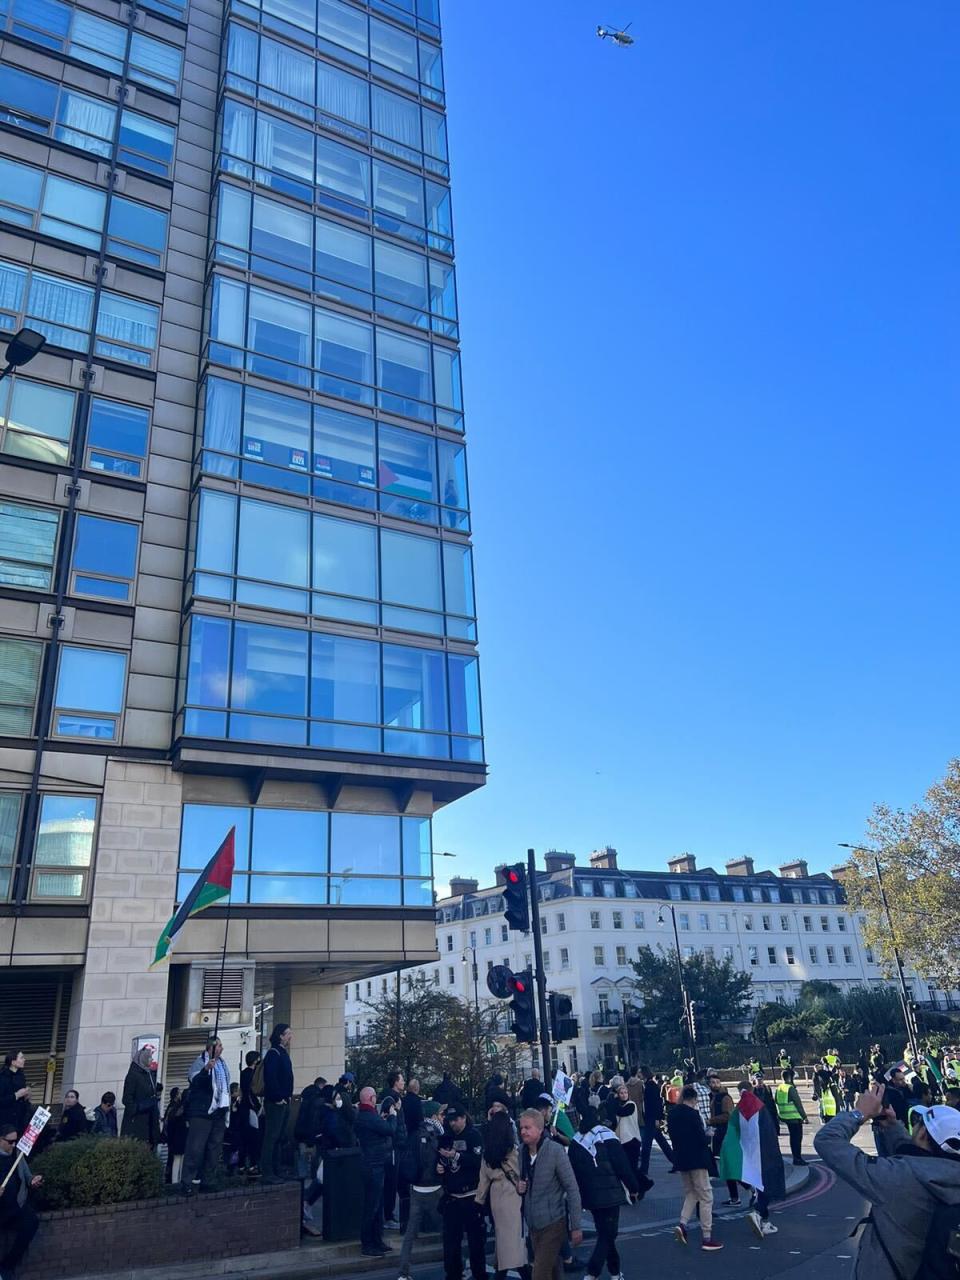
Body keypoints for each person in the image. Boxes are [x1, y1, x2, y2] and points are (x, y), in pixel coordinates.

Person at [815, 1082, 960, 1280]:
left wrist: (859, 1113)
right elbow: (920, 1160)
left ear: (923, 1134)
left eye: (917, 1124)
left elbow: (827, 1141)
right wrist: (892, 1126)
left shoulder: (895, 1178)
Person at [568, 1104, 640, 1277]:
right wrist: (633, 1188)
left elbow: (572, 1170)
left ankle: (615, 1273)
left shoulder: (576, 1141)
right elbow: (622, 1165)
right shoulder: (607, 1135)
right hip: (611, 1193)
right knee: (609, 1235)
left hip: (590, 1194)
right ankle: (592, 1273)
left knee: (605, 1235)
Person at [517, 1108, 583, 1280]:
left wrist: (575, 1226)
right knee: (553, 1270)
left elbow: (572, 1187)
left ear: (540, 1129)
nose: (523, 1131)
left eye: (528, 1127)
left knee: (539, 1273)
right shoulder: (521, 1152)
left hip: (553, 1222)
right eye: (521, 1127)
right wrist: (520, 1187)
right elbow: (523, 1184)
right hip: (533, 1224)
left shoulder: (554, 1151)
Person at [719, 1081, 785, 1239]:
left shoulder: (738, 1110)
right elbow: (769, 1130)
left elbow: (732, 1133)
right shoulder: (759, 1106)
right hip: (764, 1153)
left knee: (758, 1183)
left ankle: (762, 1217)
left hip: (747, 1154)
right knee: (767, 1184)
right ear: (752, 1089)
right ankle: (759, 1214)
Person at [667, 1085, 723, 1252]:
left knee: (691, 1193)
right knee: (706, 1196)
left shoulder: (672, 1114)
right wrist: (708, 1135)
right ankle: (707, 1236)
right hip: (697, 1159)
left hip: (681, 1160)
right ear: (693, 1100)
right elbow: (701, 1138)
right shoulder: (693, 1114)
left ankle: (682, 1224)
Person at [395, 1100, 445, 1280]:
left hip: (416, 1189)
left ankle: (403, 1272)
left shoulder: (415, 1133)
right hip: (435, 1188)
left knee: (410, 1234)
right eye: (440, 1114)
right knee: (447, 1231)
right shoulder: (437, 1133)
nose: (443, 1117)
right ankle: (457, 1266)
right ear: (434, 1116)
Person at [476, 1109, 528, 1280]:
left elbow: (483, 1179)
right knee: (514, 1245)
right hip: (512, 1196)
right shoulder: (513, 1151)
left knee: (504, 1242)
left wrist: (479, 1201)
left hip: (495, 1196)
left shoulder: (488, 1152)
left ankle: (502, 1270)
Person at [437, 1103, 485, 1280]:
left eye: (456, 1119)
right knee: (451, 1243)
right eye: (450, 1120)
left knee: (476, 1242)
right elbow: (440, 1157)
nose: (453, 1124)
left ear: (464, 1118)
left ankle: (479, 1274)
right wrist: (440, 1166)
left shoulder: (474, 1136)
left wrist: (456, 1156)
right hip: (452, 1197)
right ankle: (453, 1273)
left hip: (471, 1195)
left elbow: (478, 1160)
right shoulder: (447, 1137)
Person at [180, 1036, 231, 1195]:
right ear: (211, 1048)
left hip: (218, 1112)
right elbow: (194, 1080)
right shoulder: (200, 1062)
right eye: (219, 1046)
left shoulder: (222, 1064)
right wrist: (206, 1070)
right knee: (195, 1148)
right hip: (202, 1112)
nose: (222, 1048)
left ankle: (208, 1180)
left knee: (214, 1148)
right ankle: (187, 1181)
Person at [356, 1085, 397, 1258]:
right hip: (374, 1166)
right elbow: (390, 1130)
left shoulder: (364, 1116)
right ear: (371, 1099)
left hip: (371, 1164)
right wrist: (393, 1116)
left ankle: (377, 1241)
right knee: (372, 1206)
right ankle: (368, 1243)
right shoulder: (369, 1117)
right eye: (375, 1098)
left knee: (376, 1205)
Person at [0, 1122, 42, 1279]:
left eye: (15, 1140)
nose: (14, 1144)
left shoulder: (17, 1154)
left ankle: (7, 1266)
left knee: (31, 1223)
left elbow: (27, 1176)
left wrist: (33, 1181)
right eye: (10, 1142)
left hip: (16, 1206)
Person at [261, 1023, 294, 1182]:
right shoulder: (274, 1054)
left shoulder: (281, 1053)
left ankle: (277, 1169)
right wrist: (278, 1097)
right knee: (272, 1137)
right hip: (276, 1102)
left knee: (279, 1136)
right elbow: (271, 1077)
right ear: (280, 1035)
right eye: (287, 1033)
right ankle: (268, 1172)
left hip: (283, 1101)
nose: (290, 1036)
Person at [381, 1069, 407, 1231]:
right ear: (396, 1082)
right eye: (402, 1080)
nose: (403, 1082)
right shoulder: (391, 1099)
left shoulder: (393, 1098)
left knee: (394, 1180)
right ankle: (388, 1216)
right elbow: (389, 1120)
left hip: (396, 1144)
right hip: (393, 1146)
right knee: (391, 1181)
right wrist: (395, 1111)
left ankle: (389, 1214)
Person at [639, 1065, 674, 1177]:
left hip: (651, 1119)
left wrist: (658, 1118)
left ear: (644, 1073)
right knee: (662, 1143)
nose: (638, 1074)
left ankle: (644, 1169)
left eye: (640, 1072)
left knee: (646, 1145)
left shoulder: (651, 1086)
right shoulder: (648, 1085)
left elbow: (656, 1104)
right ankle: (676, 1162)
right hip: (651, 1118)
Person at [120, 1046, 159, 1147]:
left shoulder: (149, 1074)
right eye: (149, 1057)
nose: (152, 1060)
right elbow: (127, 1099)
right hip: (137, 1122)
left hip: (150, 1121)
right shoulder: (133, 1075)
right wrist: (142, 1106)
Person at [707, 1075, 736, 1202]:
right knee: (726, 1167)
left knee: (729, 1167)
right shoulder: (713, 1097)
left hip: (726, 1134)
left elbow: (728, 1116)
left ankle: (749, 1190)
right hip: (718, 1134)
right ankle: (735, 1197)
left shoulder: (724, 1098)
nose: (715, 1084)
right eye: (712, 1082)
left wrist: (710, 1121)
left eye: (717, 1082)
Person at [236, 1051, 262, 1175]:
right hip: (251, 1109)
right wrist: (257, 1107)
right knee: (254, 1137)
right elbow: (251, 1092)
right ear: (255, 1060)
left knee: (244, 1138)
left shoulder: (243, 1074)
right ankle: (253, 1164)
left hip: (244, 1109)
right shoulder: (252, 1074)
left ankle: (241, 1164)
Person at [775, 1070, 809, 1165]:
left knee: (793, 1137)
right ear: (790, 1078)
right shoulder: (790, 1088)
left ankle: (796, 1157)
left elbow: (776, 1101)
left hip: (784, 1116)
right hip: (794, 1117)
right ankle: (797, 1158)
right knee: (797, 1138)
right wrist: (804, 1117)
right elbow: (798, 1104)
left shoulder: (779, 1088)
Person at [609, 1082, 642, 1175]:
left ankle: (641, 1185)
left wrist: (613, 1100)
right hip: (622, 1139)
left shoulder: (631, 1104)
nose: (624, 1095)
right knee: (626, 1168)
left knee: (632, 1167)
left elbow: (622, 1112)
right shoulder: (618, 1105)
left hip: (632, 1139)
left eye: (625, 1093)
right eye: (621, 1093)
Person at [0, 1054, 30, 1138]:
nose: (24, 1059)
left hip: (21, 1118)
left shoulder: (21, 1076)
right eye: (21, 1058)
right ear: (13, 1062)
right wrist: (16, 1095)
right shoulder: (2, 1077)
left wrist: (26, 1095)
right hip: (6, 1120)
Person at [162, 1087, 187, 1183]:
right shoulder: (175, 1107)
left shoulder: (171, 1107)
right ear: (176, 1095)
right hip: (176, 1138)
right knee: (176, 1160)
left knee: (176, 1159)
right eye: (179, 1093)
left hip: (174, 1138)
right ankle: (174, 1181)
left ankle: (174, 1180)